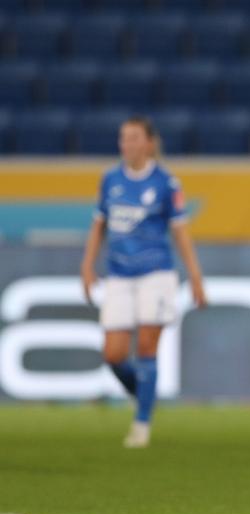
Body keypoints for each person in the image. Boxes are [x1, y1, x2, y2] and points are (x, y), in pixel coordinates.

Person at [80, 116, 207, 449]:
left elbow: (180, 231)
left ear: (150, 143)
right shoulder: (110, 180)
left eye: (134, 138)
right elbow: (99, 225)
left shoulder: (166, 183)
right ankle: (143, 394)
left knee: (147, 348)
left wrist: (195, 275)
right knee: (113, 354)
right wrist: (87, 265)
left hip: (155, 274)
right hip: (119, 274)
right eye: (123, 138)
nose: (127, 144)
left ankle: (141, 424)